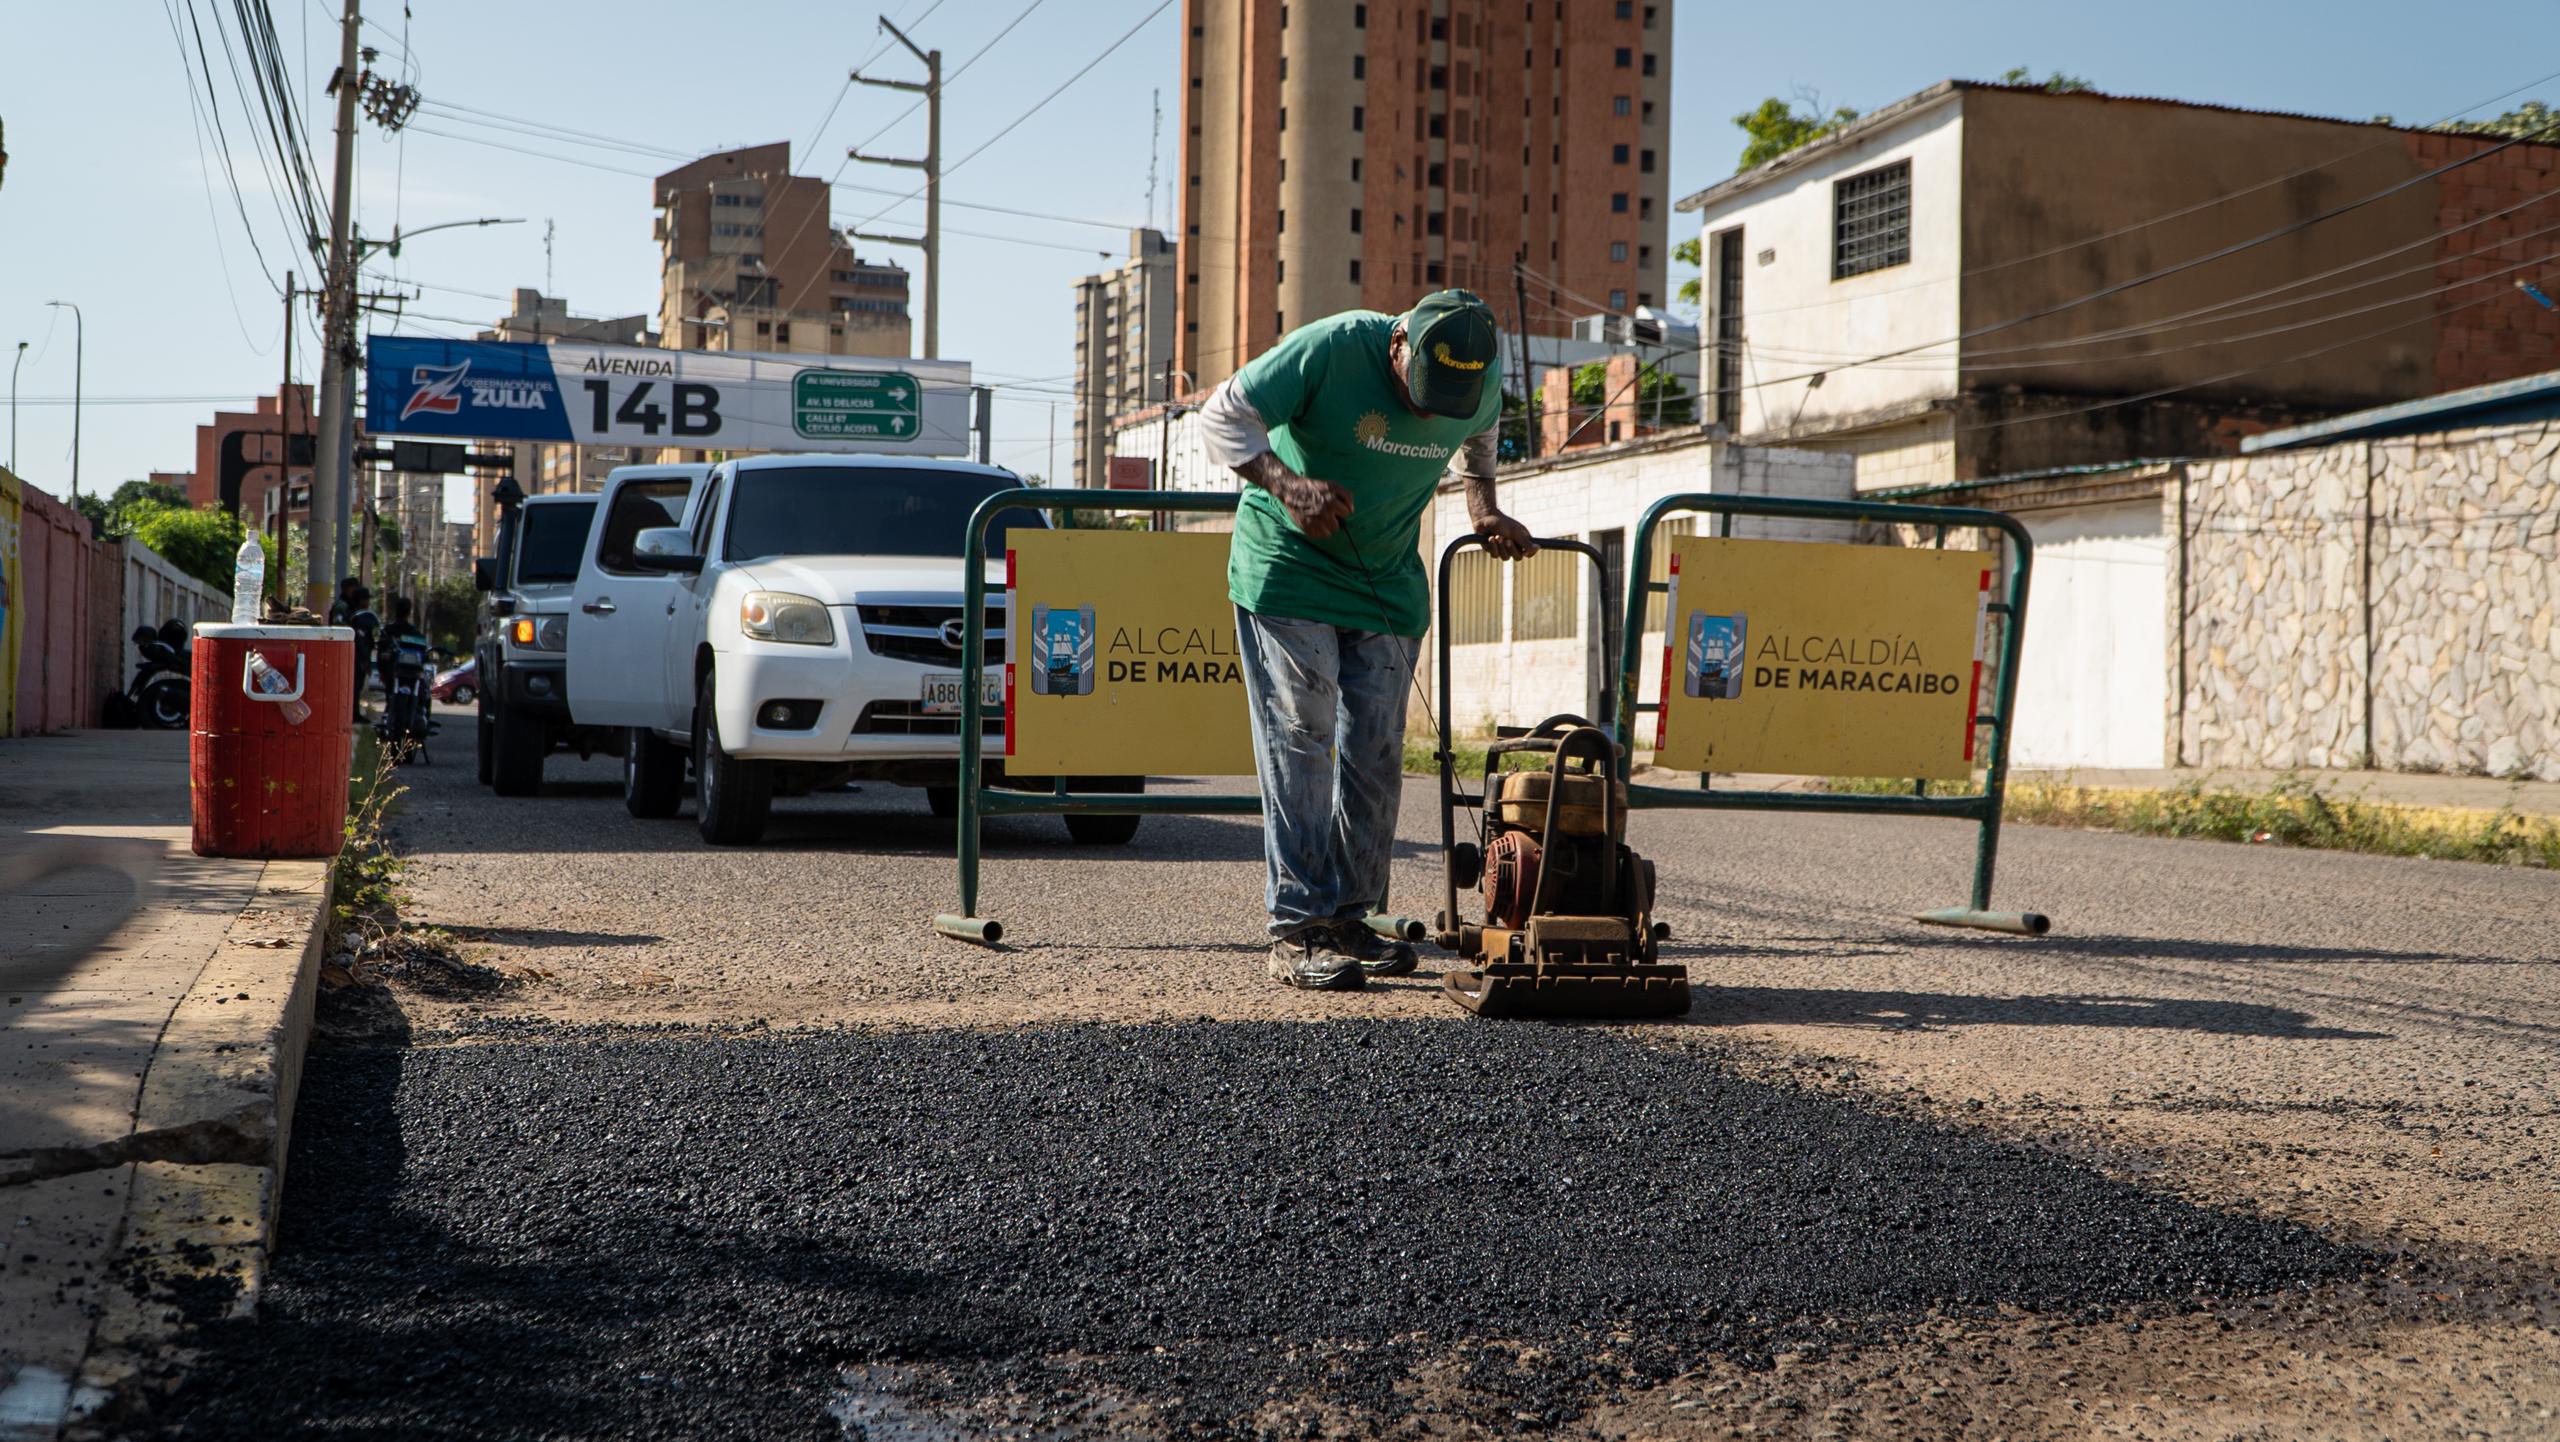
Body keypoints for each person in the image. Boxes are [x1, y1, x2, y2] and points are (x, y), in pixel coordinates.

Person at [1197, 289, 1537, 992]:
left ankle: (1351, 918)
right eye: (1421, 393)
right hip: (1289, 567)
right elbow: (1222, 413)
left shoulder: (1478, 377)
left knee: (1378, 753)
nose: (1428, 412)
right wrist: (1287, 486)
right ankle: (1297, 927)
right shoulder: (1332, 346)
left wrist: (1483, 507)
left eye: (1446, 399)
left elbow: (1480, 436)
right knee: (1304, 731)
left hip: (1384, 577)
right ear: (1397, 345)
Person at [329, 579, 378, 719]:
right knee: (350, 685)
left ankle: (353, 713)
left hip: (358, 655)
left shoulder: (354, 610)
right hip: (349, 655)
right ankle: (350, 714)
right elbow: (341, 630)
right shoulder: (342, 607)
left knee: (355, 686)